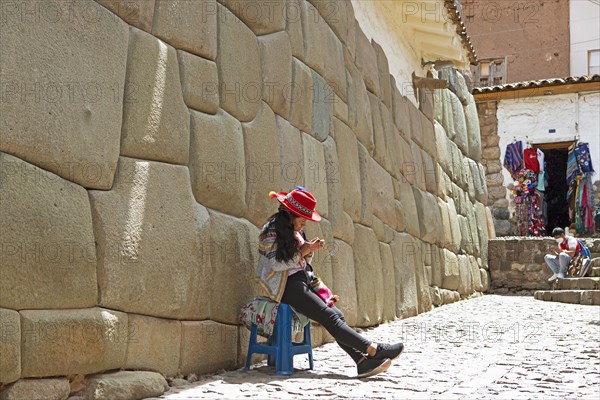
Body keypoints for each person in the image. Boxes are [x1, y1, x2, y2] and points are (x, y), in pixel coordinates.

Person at [255, 188, 404, 378]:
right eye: (302, 217)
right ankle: (373, 349)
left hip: (300, 281)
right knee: (330, 317)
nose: (304, 222)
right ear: (291, 214)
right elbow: (275, 265)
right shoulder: (270, 231)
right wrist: (302, 251)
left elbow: (300, 265)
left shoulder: (296, 232)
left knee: (336, 315)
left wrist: (308, 253)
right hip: (284, 287)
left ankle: (362, 362)